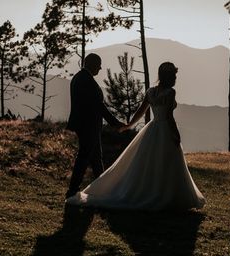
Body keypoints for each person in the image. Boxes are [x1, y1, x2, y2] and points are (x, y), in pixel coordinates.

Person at [66, 62, 206, 212]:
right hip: (165, 130)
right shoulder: (170, 92)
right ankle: (168, 195)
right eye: (174, 75)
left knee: (148, 162)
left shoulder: (151, 92)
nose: (175, 78)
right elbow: (169, 117)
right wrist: (176, 134)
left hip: (152, 129)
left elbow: (140, 111)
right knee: (167, 162)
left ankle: (147, 191)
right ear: (170, 76)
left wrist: (128, 125)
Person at [66, 53, 124, 199]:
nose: (100, 68)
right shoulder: (87, 81)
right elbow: (99, 106)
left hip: (85, 124)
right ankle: (73, 189)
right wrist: (115, 123)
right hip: (88, 125)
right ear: (92, 64)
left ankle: (102, 188)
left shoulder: (79, 78)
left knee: (96, 158)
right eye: (98, 64)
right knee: (85, 156)